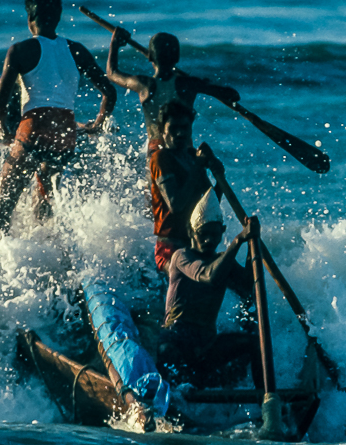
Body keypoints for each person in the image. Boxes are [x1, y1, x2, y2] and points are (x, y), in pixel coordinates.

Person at [0, 0, 117, 242]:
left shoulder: (20, 50)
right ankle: (48, 257)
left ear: (29, 19)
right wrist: (97, 124)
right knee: (45, 200)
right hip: (65, 136)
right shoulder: (77, 49)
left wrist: (1, 128)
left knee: (3, 208)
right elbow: (109, 92)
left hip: (33, 130)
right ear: (57, 18)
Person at [159, 190, 263, 390]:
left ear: (222, 231)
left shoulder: (222, 262)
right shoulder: (181, 256)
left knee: (254, 344)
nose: (208, 240)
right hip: (177, 338)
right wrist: (238, 240)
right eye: (202, 234)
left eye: (214, 234)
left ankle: (262, 400)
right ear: (191, 232)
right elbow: (209, 276)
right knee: (167, 351)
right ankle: (170, 398)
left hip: (206, 343)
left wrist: (252, 243)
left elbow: (248, 284)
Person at [104, 27, 241, 155]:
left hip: (156, 152)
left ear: (150, 57)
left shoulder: (144, 84)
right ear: (177, 58)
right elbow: (233, 95)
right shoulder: (188, 83)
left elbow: (112, 73)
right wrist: (206, 84)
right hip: (184, 150)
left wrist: (114, 44)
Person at [147, 99, 219, 272]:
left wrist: (217, 172)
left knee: (236, 276)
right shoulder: (161, 158)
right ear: (161, 132)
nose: (179, 134)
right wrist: (198, 167)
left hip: (196, 244)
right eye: (173, 129)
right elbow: (176, 205)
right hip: (169, 249)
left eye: (184, 128)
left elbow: (210, 203)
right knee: (203, 276)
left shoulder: (193, 157)